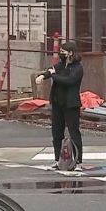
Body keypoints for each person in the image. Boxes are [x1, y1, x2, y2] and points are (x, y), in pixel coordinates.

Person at [37, 41, 84, 170]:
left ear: (70, 53)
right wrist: (43, 75)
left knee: (74, 132)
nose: (61, 54)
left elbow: (69, 81)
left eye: (63, 52)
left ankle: (78, 161)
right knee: (57, 133)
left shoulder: (77, 68)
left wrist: (53, 75)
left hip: (71, 104)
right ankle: (58, 160)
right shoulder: (61, 65)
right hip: (58, 103)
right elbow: (51, 70)